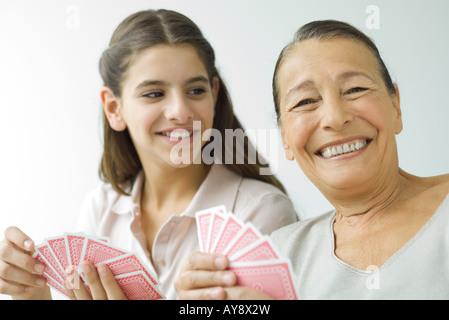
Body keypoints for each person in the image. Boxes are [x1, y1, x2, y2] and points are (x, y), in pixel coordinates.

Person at [0, 9, 297, 300]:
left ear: (214, 95)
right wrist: (33, 293)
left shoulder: (259, 212)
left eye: (195, 90)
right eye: (154, 93)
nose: (180, 111)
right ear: (114, 108)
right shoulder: (101, 210)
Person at [174, 20, 449, 300]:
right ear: (285, 140)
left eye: (355, 89)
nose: (334, 118)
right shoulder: (277, 256)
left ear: (395, 107)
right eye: (305, 102)